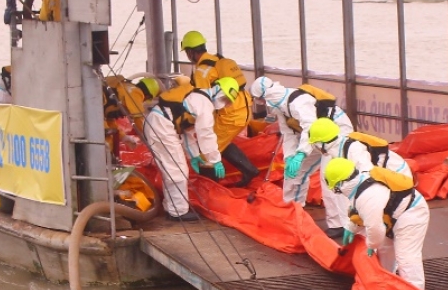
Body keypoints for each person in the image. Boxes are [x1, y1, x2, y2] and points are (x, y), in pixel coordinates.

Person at [251, 76, 353, 232]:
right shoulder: (281, 109)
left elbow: (309, 128)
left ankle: (341, 224)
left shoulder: (299, 102)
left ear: (266, 97)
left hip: (337, 133)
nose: (262, 104)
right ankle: (293, 211)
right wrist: (291, 157)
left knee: (329, 177)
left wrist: (301, 154)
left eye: (260, 101)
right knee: (294, 173)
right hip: (316, 138)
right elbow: (289, 134)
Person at [324, 157, 431, 290]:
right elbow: (358, 210)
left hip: (412, 213)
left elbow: (375, 229)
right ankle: (385, 286)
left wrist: (371, 245)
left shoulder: (368, 196)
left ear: (339, 183)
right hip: (394, 213)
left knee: (406, 257)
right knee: (385, 251)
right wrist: (351, 227)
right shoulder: (358, 183)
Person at [181, 31, 256, 181]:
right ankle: (249, 170)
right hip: (244, 107)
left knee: (206, 149)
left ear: (190, 52)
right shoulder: (217, 60)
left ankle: (210, 187)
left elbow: (203, 100)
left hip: (230, 114)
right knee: (221, 141)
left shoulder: (202, 71)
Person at [144, 78, 222, 220]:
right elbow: (206, 133)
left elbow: (187, 131)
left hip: (158, 123)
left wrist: (194, 155)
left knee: (172, 168)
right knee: (177, 170)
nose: (225, 103)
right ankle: (178, 212)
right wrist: (215, 159)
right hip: (162, 127)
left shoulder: (195, 97)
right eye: (226, 99)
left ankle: (171, 207)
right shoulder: (205, 104)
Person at [306, 118, 413, 191]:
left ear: (322, 143)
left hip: (396, 174)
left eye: (315, 143)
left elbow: (367, 175)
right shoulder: (338, 148)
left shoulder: (353, 150)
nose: (315, 147)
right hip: (386, 174)